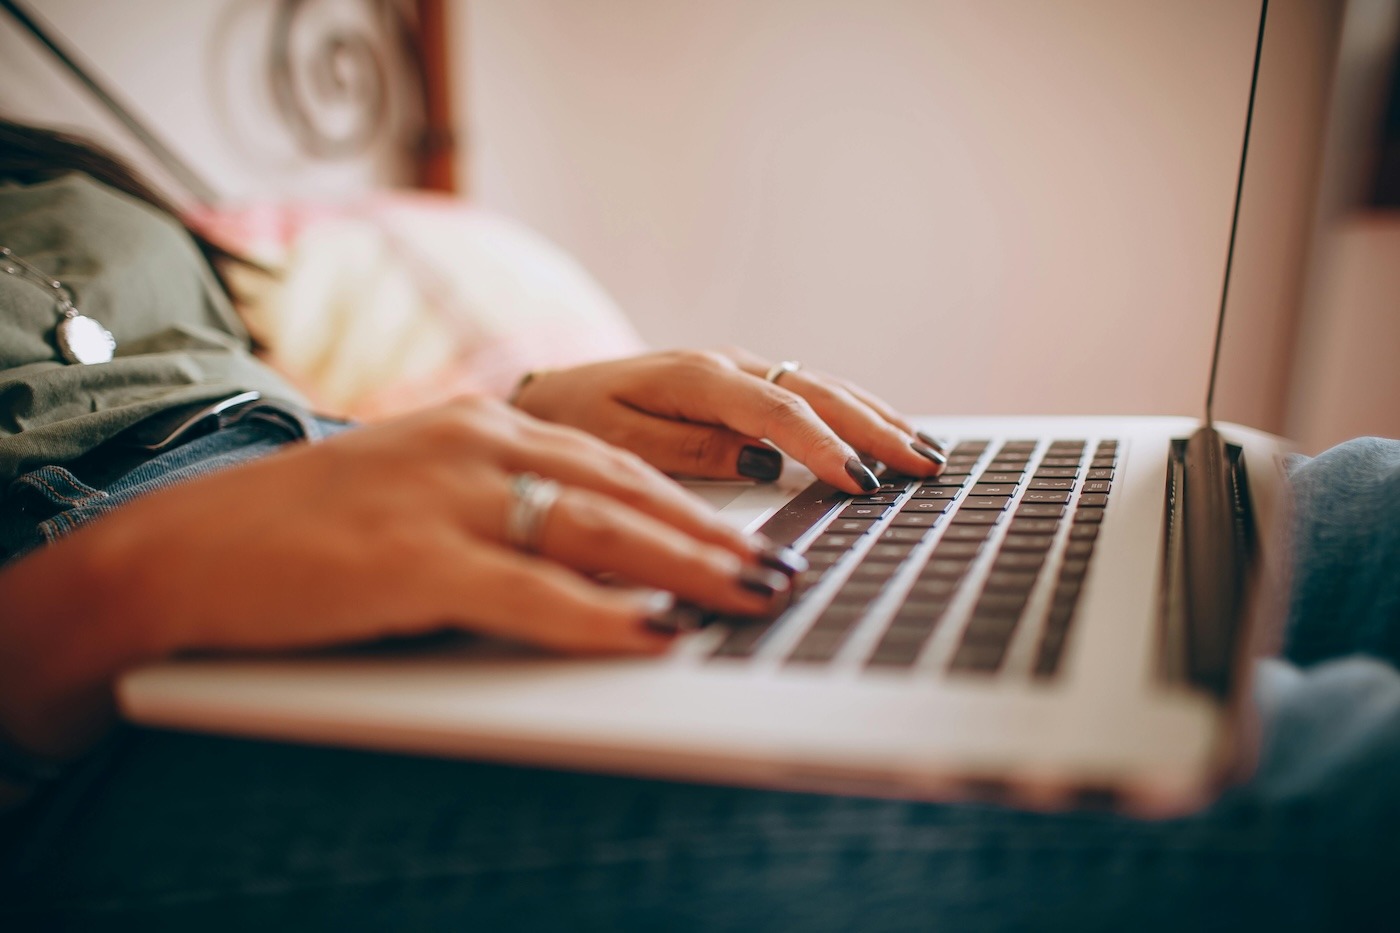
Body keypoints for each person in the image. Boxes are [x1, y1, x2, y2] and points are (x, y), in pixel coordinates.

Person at [0, 120, 1398, 930]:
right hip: (92, 714)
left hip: (351, 500)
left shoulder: (50, 152)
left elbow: (269, 398)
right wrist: (106, 595)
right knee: (1337, 794)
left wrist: (529, 410)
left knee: (1363, 507)